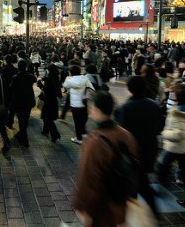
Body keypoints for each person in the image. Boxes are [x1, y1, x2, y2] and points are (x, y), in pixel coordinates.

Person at [73, 91, 139, 226]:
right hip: (121, 203)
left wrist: (83, 209)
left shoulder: (94, 141)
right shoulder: (126, 135)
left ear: (96, 109)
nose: (89, 111)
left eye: (90, 107)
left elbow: (88, 179)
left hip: (102, 209)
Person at [114, 76, 159, 217]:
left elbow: (120, 134)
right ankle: (151, 211)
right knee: (142, 181)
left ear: (129, 89)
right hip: (150, 149)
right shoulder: (154, 105)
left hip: (132, 153)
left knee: (135, 183)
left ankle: (134, 214)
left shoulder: (124, 108)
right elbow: (159, 128)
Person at [156, 83, 185, 208]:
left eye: (174, 92)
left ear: (178, 95)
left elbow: (179, 134)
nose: (172, 94)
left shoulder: (179, 112)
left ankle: (163, 188)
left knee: (162, 165)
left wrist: (165, 133)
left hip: (176, 147)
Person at [9, 59, 37, 147]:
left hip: (18, 102)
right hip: (28, 101)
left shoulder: (15, 77)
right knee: (24, 120)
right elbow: (35, 80)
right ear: (26, 67)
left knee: (21, 121)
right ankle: (21, 136)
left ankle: (24, 141)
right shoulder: (30, 76)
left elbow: (11, 88)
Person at [63, 65, 93, 145]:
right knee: (82, 121)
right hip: (84, 103)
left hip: (75, 105)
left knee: (77, 122)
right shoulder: (85, 78)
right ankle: (84, 135)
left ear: (71, 72)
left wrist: (68, 77)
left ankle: (79, 138)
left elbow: (65, 85)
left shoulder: (69, 80)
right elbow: (91, 88)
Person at [37, 64, 62, 142]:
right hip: (53, 100)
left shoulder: (49, 79)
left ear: (49, 71)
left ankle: (55, 134)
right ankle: (45, 131)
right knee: (47, 117)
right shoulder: (56, 77)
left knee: (48, 118)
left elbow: (46, 90)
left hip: (48, 101)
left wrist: (39, 84)